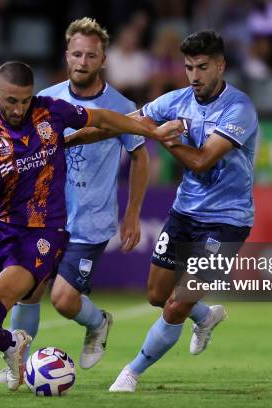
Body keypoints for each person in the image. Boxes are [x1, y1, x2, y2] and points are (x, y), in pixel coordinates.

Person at [0, 61, 182, 397]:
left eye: (25, 100)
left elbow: (103, 119)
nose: (19, 108)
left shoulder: (51, 112)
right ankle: (12, 342)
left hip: (44, 234)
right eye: (11, 101)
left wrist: (151, 131)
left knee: (0, 298)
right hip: (2, 232)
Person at [0, 17, 149, 384]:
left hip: (90, 220)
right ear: (66, 56)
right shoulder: (46, 100)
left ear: (103, 58)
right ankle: (15, 365)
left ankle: (98, 322)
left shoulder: (121, 106)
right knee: (28, 291)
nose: (82, 61)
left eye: (91, 55)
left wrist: (133, 213)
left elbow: (140, 154)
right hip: (44, 216)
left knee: (62, 299)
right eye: (76, 54)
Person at [106, 30, 260, 392]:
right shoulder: (176, 100)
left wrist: (162, 136)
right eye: (189, 67)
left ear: (220, 66)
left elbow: (204, 160)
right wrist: (76, 133)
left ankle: (131, 372)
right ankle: (206, 317)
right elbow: (133, 121)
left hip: (227, 221)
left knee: (175, 305)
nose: (195, 75)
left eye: (203, 67)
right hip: (184, 212)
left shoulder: (240, 108)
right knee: (157, 296)